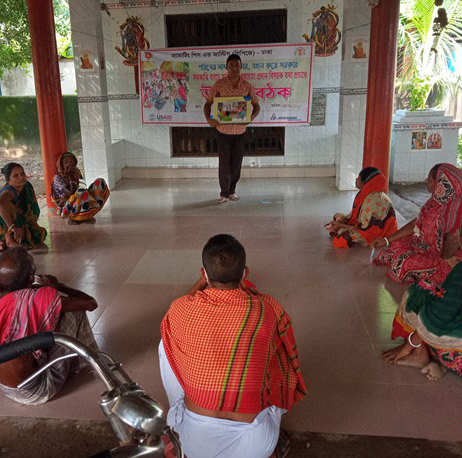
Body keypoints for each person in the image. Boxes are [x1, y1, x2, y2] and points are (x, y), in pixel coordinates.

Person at [159, 234, 306, 458]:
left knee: (167, 342)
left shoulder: (180, 308)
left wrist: (202, 284)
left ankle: (180, 425)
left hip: (197, 443)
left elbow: (183, 308)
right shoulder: (267, 310)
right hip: (256, 443)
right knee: (275, 351)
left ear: (203, 274)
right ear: (245, 273)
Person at [382, 212, 462, 381]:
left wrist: (409, 345)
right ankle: (434, 360)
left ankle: (420, 355)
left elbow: (438, 315)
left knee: (421, 289)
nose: (457, 237)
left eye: (460, 233)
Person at [0, 247, 99, 405]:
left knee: (36, 320)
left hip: (5, 387)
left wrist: (43, 291)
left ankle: (68, 360)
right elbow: (90, 303)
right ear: (31, 277)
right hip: (36, 392)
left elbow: (22, 298)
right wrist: (58, 286)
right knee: (74, 313)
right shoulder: (38, 299)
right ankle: (82, 361)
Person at [372, 163, 462, 287]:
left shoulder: (456, 209)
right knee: (394, 246)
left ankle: (441, 272)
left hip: (448, 257)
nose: (426, 181)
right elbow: (417, 223)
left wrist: (440, 261)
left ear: (441, 184)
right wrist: (387, 240)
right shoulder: (436, 201)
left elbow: (452, 242)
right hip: (426, 246)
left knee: (403, 262)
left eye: (429, 179)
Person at [204, 54, 261, 204]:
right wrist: (209, 119)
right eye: (231, 65)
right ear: (226, 67)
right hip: (222, 132)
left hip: (240, 132)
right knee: (224, 163)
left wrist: (250, 118)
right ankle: (223, 193)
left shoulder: (247, 86)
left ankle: (232, 191)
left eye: (237, 65)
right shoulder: (219, 84)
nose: (234, 68)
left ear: (241, 67)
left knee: (236, 163)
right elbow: (208, 103)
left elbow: (256, 105)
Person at [325, 167, 398, 248]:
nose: (356, 179)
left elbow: (365, 229)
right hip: (363, 224)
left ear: (365, 181)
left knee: (341, 240)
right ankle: (339, 229)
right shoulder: (365, 193)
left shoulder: (372, 200)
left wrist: (340, 225)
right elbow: (353, 216)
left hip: (377, 233)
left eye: (358, 178)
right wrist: (339, 222)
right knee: (337, 216)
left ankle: (360, 242)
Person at [0, 163, 47, 249]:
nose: (21, 177)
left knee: (37, 235)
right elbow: (0, 203)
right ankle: (9, 241)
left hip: (6, 223)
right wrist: (12, 227)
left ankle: (2, 242)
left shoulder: (26, 187)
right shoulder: (9, 192)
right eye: (15, 176)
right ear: (8, 181)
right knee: (7, 206)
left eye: (22, 173)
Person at [50, 152, 110, 225]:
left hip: (78, 200)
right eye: (66, 162)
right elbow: (71, 193)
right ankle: (72, 217)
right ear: (61, 164)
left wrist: (74, 175)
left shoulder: (76, 172)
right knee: (81, 192)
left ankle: (89, 211)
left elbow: (82, 186)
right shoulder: (57, 178)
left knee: (100, 182)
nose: (69, 164)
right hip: (66, 207)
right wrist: (70, 176)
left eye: (71, 162)